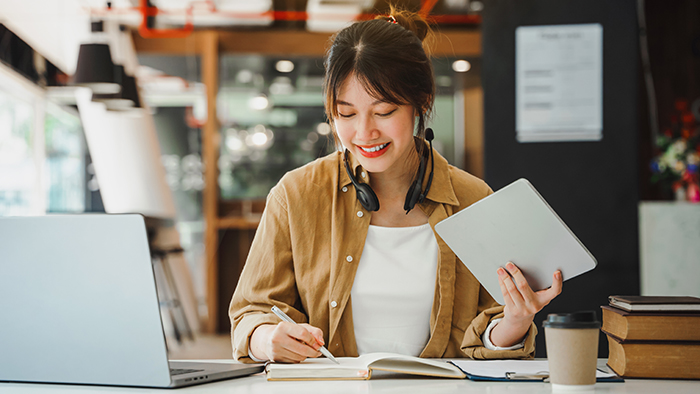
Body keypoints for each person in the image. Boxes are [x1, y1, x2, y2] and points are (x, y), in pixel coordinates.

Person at [229, 7, 563, 363]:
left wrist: (515, 319)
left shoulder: (474, 199)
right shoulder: (295, 195)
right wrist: (265, 339)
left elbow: (490, 333)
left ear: (421, 103)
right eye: (346, 113)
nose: (364, 133)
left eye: (384, 111)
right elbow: (250, 312)